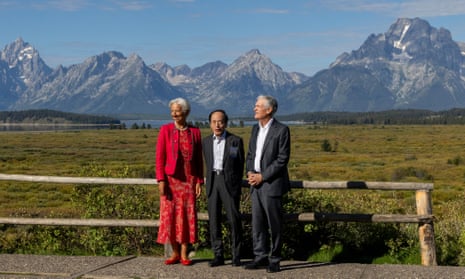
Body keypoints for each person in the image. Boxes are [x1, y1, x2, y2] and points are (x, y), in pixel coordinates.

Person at [243, 95, 291, 273]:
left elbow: (282, 159)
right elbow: (250, 155)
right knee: (257, 223)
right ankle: (260, 256)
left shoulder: (282, 130)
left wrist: (262, 176)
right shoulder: (255, 129)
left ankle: (275, 259)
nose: (254, 108)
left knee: (274, 224)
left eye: (258, 106)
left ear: (269, 109)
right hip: (255, 184)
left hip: (271, 184)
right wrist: (250, 172)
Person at [155, 97, 204, 266]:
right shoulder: (165, 130)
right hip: (170, 181)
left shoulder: (195, 132)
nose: (174, 114)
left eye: (177, 111)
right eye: (172, 111)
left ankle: (184, 253)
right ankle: (175, 252)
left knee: (186, 217)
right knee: (170, 218)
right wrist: (161, 180)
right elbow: (159, 158)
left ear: (186, 112)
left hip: (189, 181)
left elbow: (199, 160)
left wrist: (199, 180)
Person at [202, 109, 245, 267]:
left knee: (234, 220)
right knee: (214, 221)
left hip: (229, 184)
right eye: (214, 122)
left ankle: (236, 255)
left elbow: (239, 164)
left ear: (226, 123)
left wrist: (235, 183)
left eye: (220, 121)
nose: (217, 125)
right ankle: (218, 255)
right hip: (213, 182)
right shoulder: (205, 142)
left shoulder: (235, 141)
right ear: (210, 124)